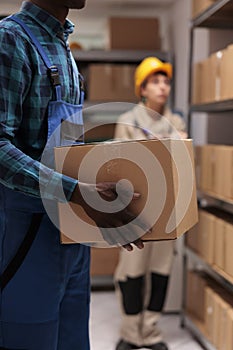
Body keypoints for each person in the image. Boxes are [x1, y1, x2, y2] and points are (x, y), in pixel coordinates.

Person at [0, 1, 146, 349]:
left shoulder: (64, 49)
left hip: (72, 234)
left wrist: (104, 198)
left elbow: (69, 152)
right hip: (26, 240)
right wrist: (78, 192)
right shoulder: (11, 40)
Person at [114, 57, 187, 350]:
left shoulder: (177, 122)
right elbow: (121, 166)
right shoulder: (128, 122)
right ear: (142, 88)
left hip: (168, 211)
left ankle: (152, 332)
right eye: (155, 82)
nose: (163, 87)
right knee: (131, 273)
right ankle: (131, 334)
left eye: (166, 81)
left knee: (160, 271)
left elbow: (183, 164)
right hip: (135, 212)